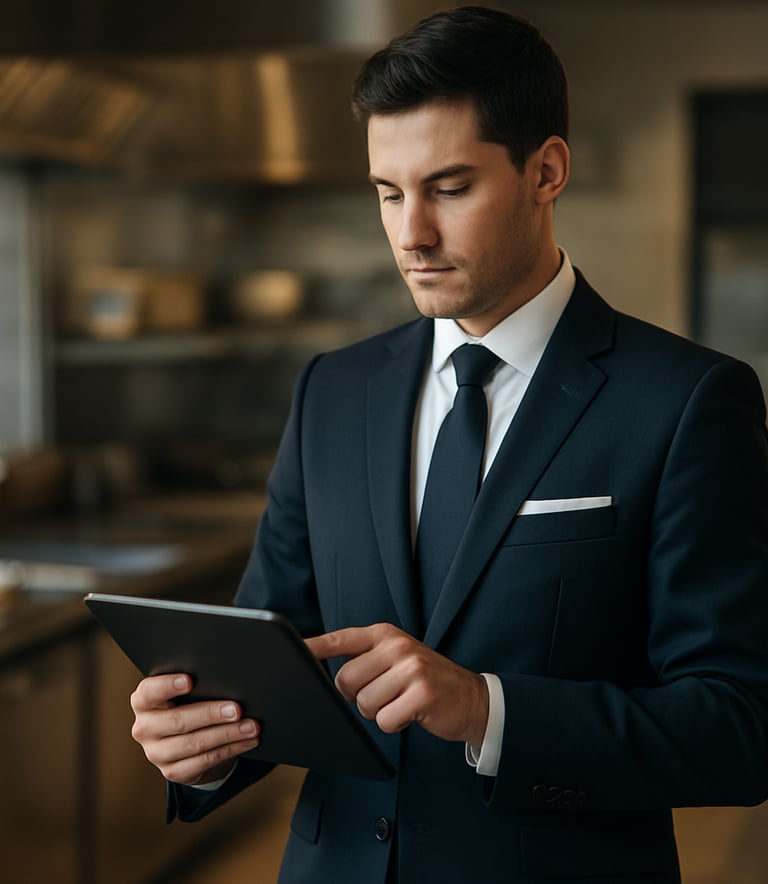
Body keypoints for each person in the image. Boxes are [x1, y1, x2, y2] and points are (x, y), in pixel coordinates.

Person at [129, 7, 768, 883]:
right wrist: (206, 744)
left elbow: (739, 727)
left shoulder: (689, 400)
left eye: (450, 187)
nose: (410, 234)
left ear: (547, 171)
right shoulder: (331, 390)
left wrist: (486, 709)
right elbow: (277, 662)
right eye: (388, 193)